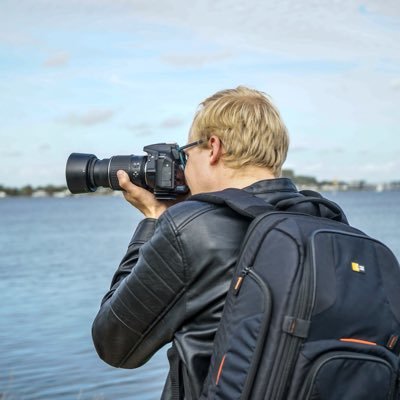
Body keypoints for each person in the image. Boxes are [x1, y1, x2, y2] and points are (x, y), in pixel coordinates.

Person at [92, 86, 297, 399]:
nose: (184, 170)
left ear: (213, 147)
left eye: (186, 156)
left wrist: (153, 219)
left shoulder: (194, 229)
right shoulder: (334, 226)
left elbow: (113, 342)